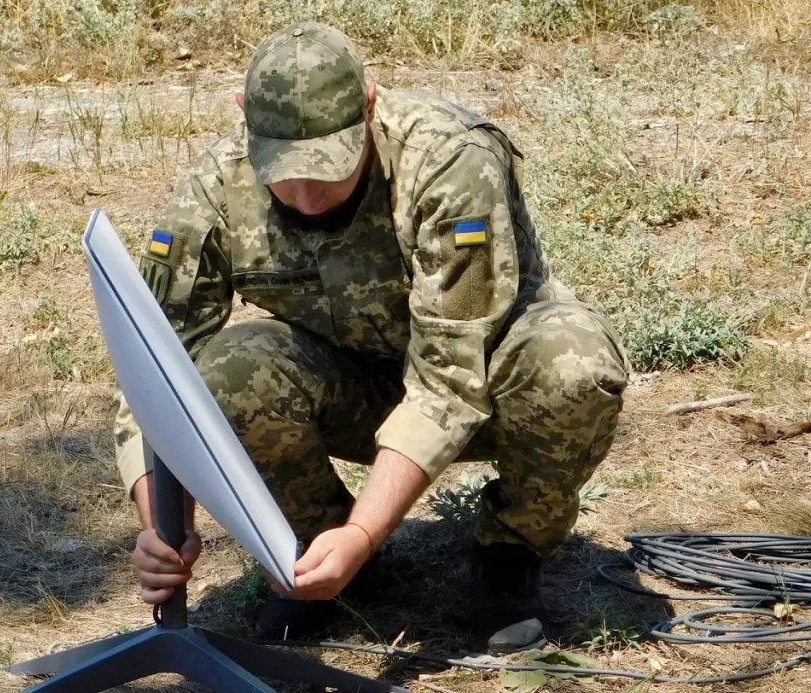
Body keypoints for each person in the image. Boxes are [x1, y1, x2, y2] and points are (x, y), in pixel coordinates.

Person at [113, 20, 630, 655]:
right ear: (244, 116)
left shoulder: (448, 160)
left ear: (370, 103)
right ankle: (314, 548)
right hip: (353, 387)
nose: (304, 196)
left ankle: (509, 551)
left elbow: (448, 377)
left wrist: (367, 531)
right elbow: (157, 370)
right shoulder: (214, 188)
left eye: (327, 166)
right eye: (282, 169)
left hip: (490, 381)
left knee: (571, 366)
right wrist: (162, 523)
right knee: (225, 374)